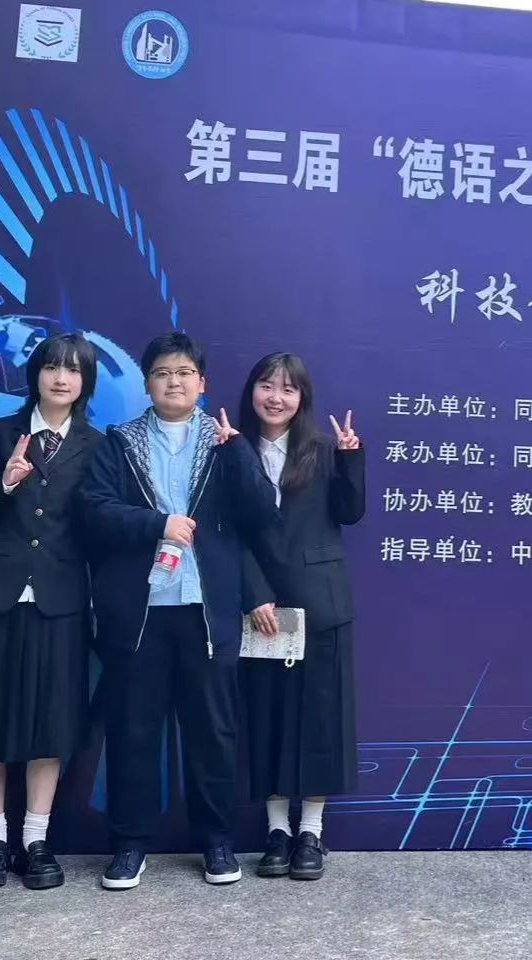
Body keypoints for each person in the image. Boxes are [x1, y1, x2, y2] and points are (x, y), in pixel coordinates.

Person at [77, 332, 278, 890]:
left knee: (213, 733)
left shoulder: (224, 443)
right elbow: (93, 511)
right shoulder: (119, 444)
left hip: (206, 612)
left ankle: (216, 843)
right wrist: (156, 525)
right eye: (163, 373)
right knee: (133, 730)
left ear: (202, 383)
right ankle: (129, 846)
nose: (174, 382)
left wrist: (239, 453)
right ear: (147, 384)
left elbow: (260, 515)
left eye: (185, 373)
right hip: (138, 612)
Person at [0, 332, 102, 890]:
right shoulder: (0, 434)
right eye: (52, 367)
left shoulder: (96, 445)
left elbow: (100, 522)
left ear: (85, 382)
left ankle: (36, 840)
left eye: (73, 370)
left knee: (50, 721)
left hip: (61, 600)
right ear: (36, 374)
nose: (61, 378)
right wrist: (4, 484)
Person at [238, 353, 366, 881]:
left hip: (320, 604)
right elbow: (228, 531)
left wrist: (351, 458)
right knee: (266, 716)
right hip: (263, 609)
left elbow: (350, 512)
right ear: (252, 390)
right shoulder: (232, 449)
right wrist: (253, 594)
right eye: (267, 386)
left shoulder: (323, 449)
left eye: (288, 390)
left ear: (302, 399)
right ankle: (276, 832)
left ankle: (310, 831)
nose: (276, 397)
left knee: (319, 720)